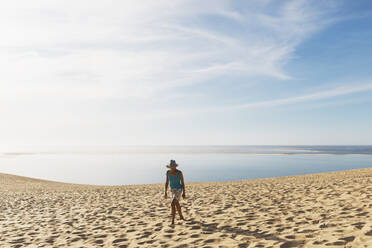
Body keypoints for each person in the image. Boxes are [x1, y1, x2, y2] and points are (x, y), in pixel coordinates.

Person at [164, 159, 186, 224]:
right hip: (172, 190)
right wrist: (165, 192)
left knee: (172, 203)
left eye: (174, 166)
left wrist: (184, 193)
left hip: (179, 189)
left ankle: (172, 221)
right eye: (171, 166)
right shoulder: (168, 172)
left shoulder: (179, 173)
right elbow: (167, 182)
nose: (173, 167)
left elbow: (182, 183)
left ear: (175, 166)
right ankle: (181, 216)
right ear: (170, 167)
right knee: (176, 203)